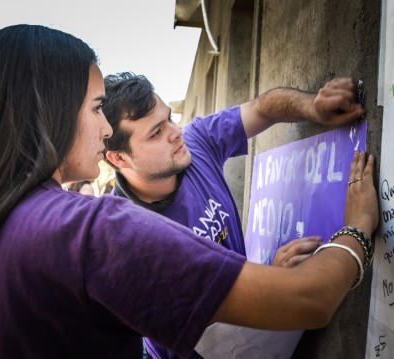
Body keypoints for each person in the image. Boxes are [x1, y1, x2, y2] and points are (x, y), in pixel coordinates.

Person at [0, 24, 378, 359]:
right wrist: (356, 227)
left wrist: (311, 105)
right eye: (95, 109)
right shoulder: (95, 231)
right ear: (48, 116)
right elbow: (309, 299)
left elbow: (263, 107)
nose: (104, 128)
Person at [103, 73, 366, 358]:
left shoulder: (194, 143)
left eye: (169, 118)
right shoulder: (127, 238)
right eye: (156, 133)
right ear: (119, 158)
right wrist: (272, 280)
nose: (174, 132)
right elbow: (203, 325)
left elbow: (263, 108)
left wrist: (312, 106)